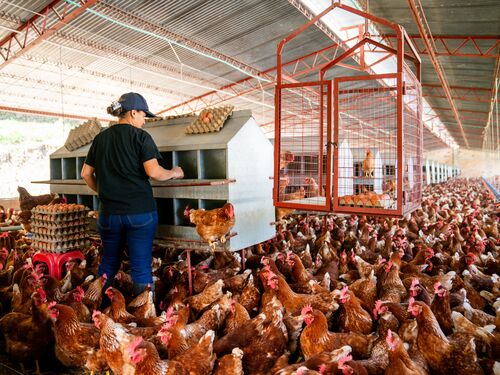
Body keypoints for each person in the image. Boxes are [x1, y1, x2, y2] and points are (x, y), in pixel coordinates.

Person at [81, 92, 184, 297]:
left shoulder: (100, 138)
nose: (144, 120)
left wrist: (105, 192)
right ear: (133, 112)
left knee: (109, 263)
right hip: (139, 213)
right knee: (140, 266)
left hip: (109, 214)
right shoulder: (141, 137)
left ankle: (96, 307)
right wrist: (174, 172)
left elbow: (85, 174)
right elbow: (154, 172)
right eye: (143, 114)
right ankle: (143, 312)